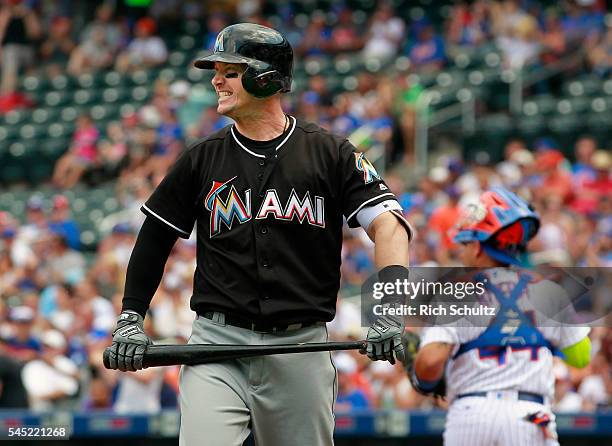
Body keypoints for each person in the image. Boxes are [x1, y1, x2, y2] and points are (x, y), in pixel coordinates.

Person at [105, 23, 413, 446]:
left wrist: (390, 308)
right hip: (217, 346)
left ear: (266, 77)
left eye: (230, 71)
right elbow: (155, 238)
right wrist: (129, 319)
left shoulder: (331, 152)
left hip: (300, 346)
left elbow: (389, 225)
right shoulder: (202, 158)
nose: (216, 80)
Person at [408, 187, 591, 446]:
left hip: (472, 414)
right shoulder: (547, 291)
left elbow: (429, 364)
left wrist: (421, 374)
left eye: (467, 243)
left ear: (480, 246)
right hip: (529, 415)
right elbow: (582, 357)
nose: (462, 252)